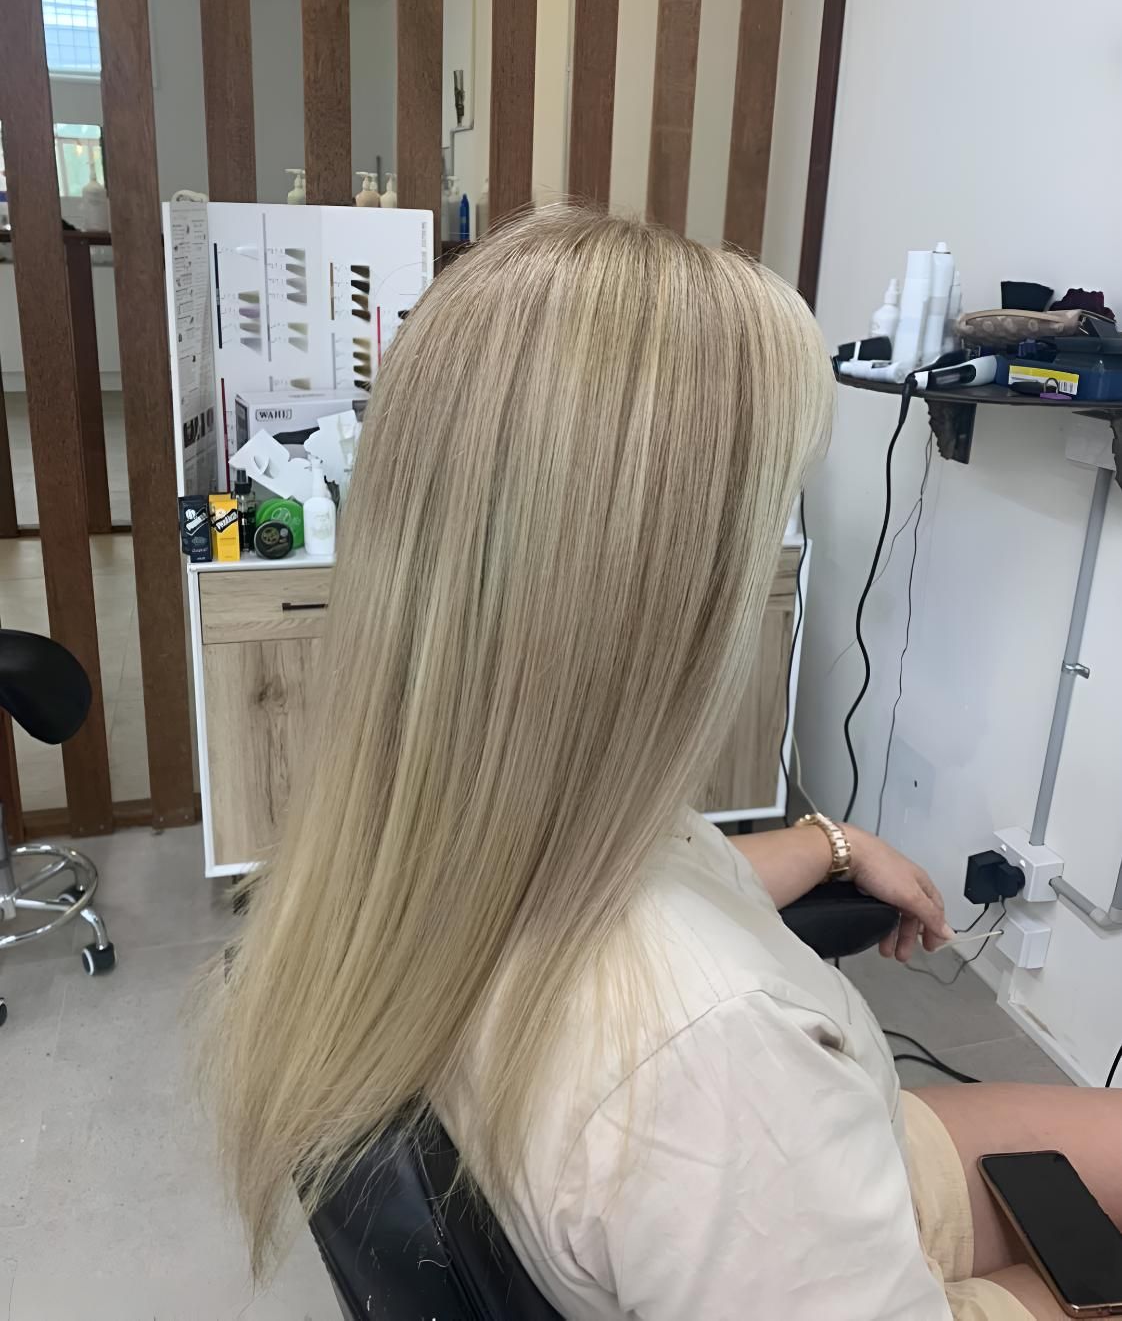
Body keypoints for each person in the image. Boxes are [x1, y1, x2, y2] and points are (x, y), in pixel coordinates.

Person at [203, 207, 1118, 1321]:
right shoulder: (719, 1066)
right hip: (780, 1206)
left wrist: (835, 843)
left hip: (801, 1184)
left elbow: (649, 881)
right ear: (665, 589)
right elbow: (711, 1067)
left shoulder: (434, 821)